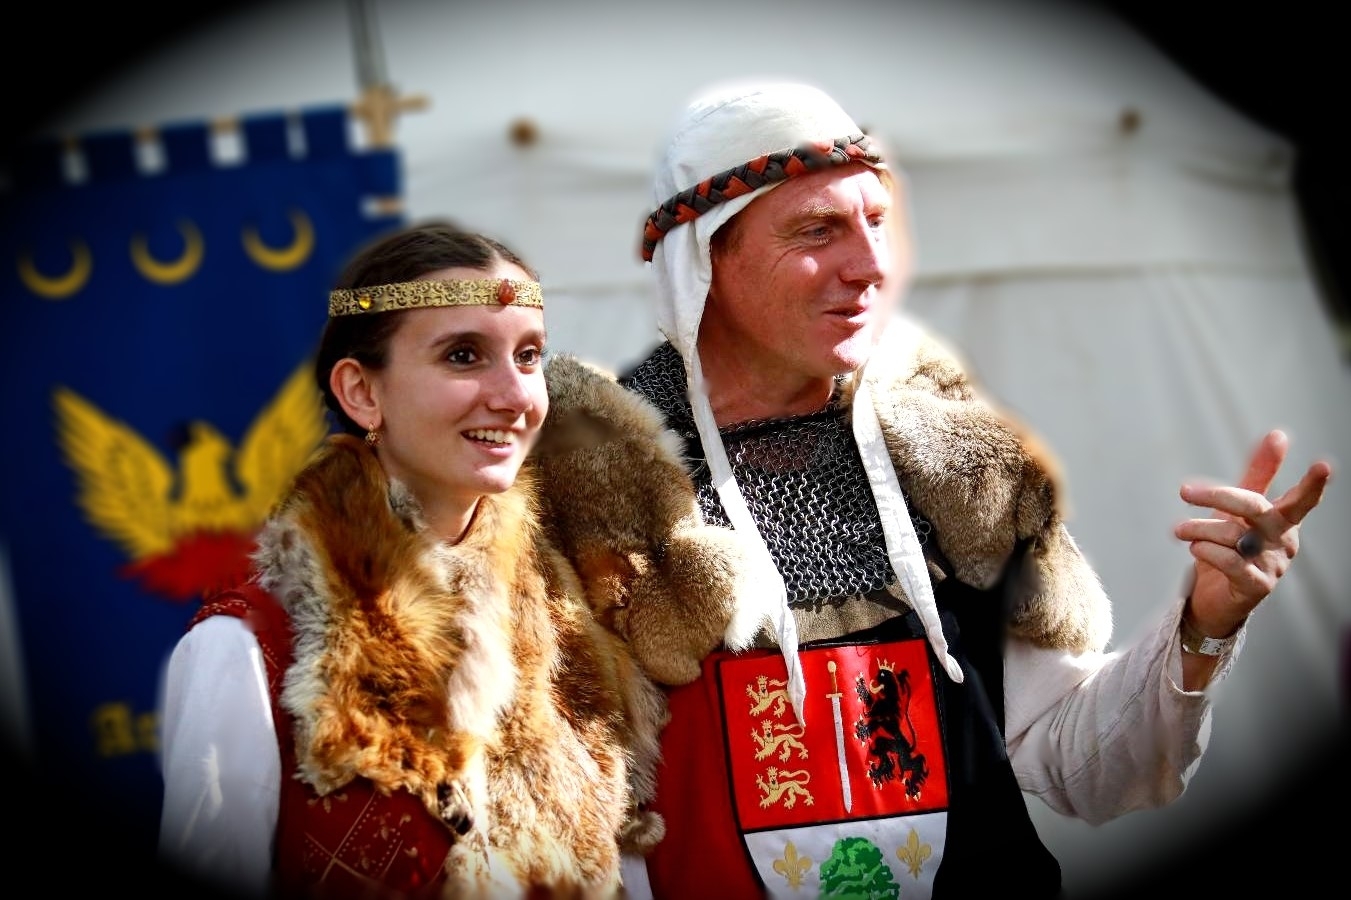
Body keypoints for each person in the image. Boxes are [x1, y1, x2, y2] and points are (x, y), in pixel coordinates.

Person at [614, 81, 1334, 898]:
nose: (870, 266)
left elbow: (1081, 764)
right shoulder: (589, 494)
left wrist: (1203, 624)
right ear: (704, 259)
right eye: (817, 230)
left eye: (875, 222)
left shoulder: (958, 468)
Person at [155, 221, 680, 899]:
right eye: (463, 356)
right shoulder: (249, 647)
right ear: (361, 393)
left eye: (528, 356)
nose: (515, 396)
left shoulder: (569, 621)